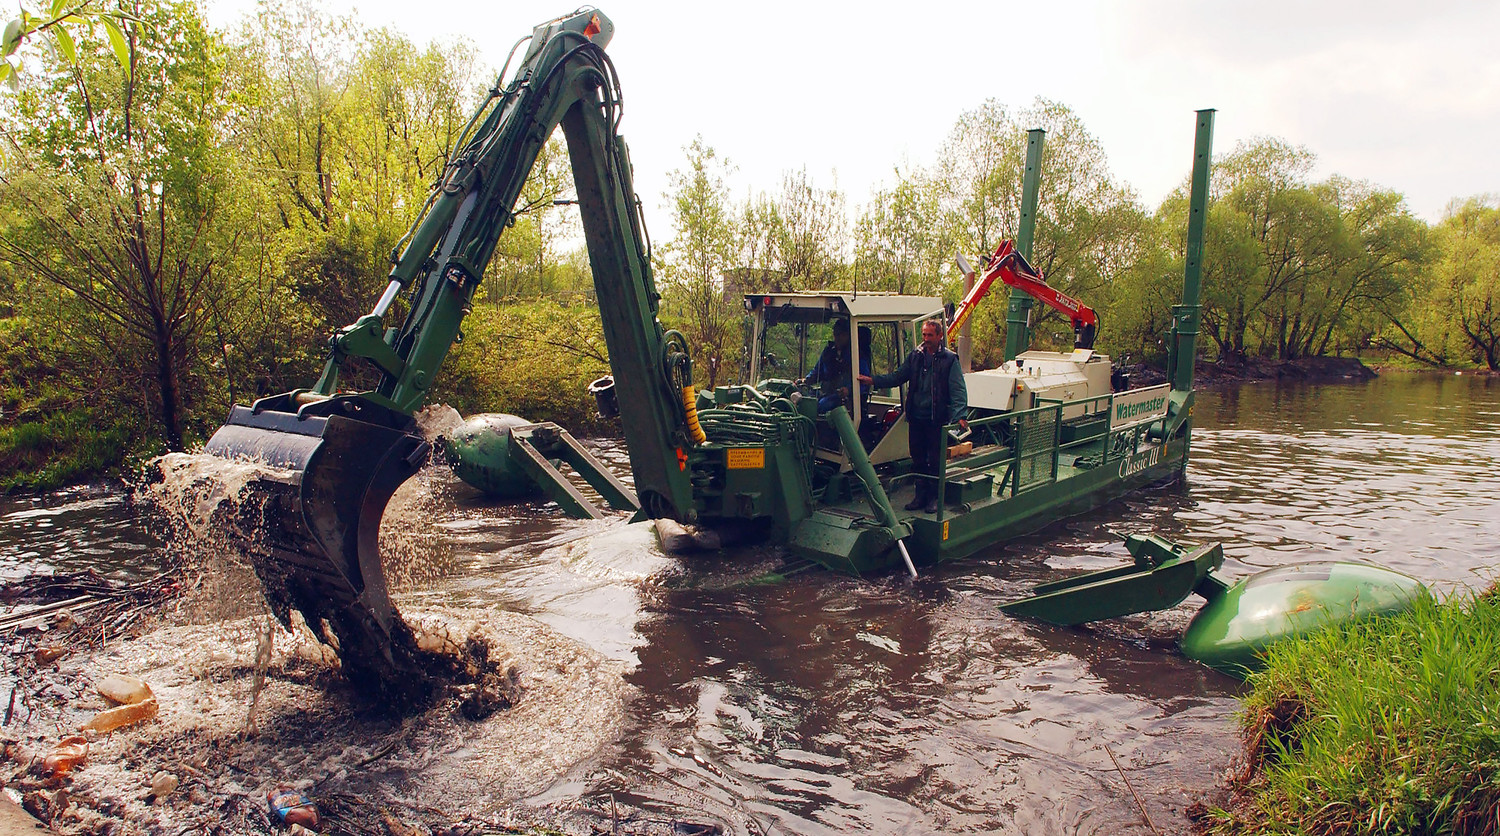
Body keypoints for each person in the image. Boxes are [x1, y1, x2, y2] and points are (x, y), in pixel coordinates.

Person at [860, 318, 968, 513]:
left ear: (939, 336)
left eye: (930, 335)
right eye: (924, 335)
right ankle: (920, 496)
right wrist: (873, 380)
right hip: (917, 417)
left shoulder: (949, 360)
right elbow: (898, 376)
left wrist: (960, 415)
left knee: (935, 460)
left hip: (936, 418)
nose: (926, 339)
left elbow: (958, 388)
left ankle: (934, 498)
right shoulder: (916, 356)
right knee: (917, 458)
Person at [803, 319, 870, 413]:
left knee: (823, 405)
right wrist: (806, 380)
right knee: (803, 400)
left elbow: (864, 381)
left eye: (841, 334)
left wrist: (849, 390)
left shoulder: (856, 355)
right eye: (836, 334)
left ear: (848, 335)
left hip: (845, 399)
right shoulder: (829, 352)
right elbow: (817, 371)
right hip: (825, 392)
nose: (837, 338)